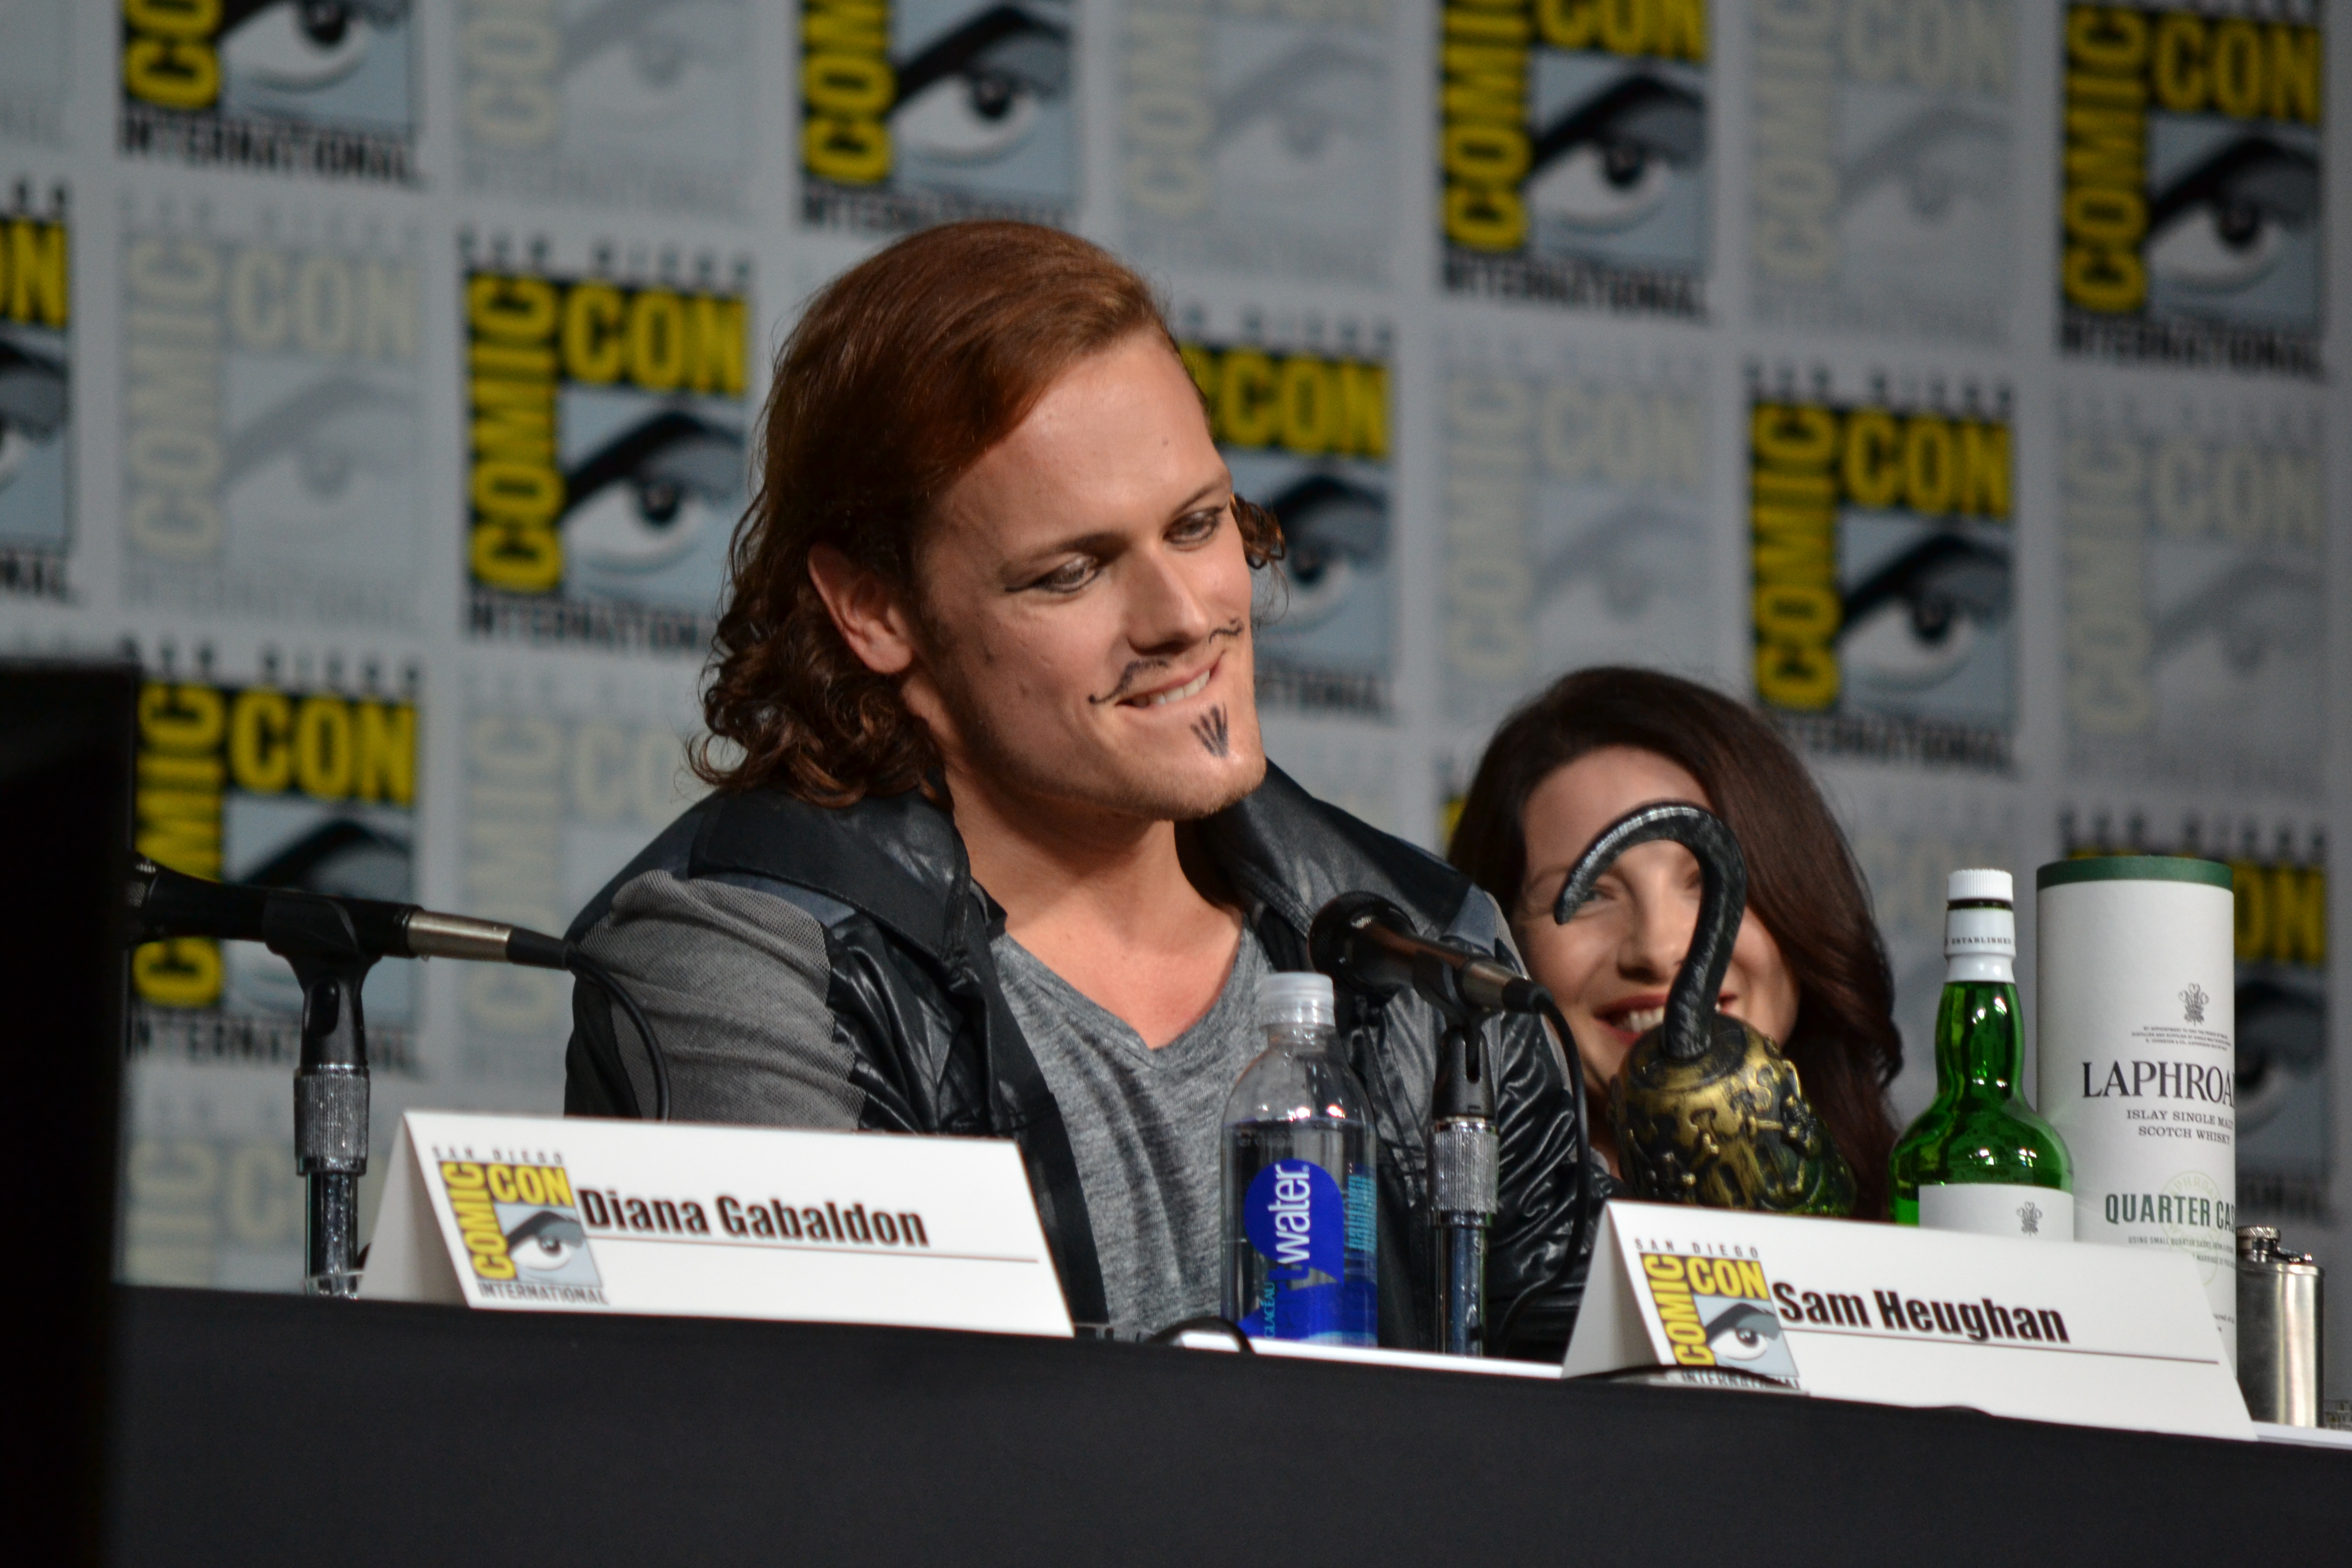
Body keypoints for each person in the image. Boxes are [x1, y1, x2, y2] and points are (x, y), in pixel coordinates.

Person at [563, 221, 1598, 1355]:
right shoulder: (752, 955)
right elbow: (857, 1437)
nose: (1184, 617)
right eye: (1072, 572)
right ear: (875, 609)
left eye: (1196, 525)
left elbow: (1594, 1438)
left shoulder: (1432, 961)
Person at [1448, 667, 1902, 1219]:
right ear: (1496, 944)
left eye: (1709, 881)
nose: (1659, 951)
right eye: (1590, 895)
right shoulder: (1438, 1256)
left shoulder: (1933, 1227)